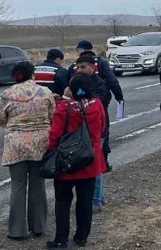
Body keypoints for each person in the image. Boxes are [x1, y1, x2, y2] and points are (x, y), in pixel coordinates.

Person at [47, 74, 106, 249]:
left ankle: (61, 239)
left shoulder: (64, 107)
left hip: (67, 160)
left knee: (63, 201)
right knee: (85, 200)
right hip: (89, 159)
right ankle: (81, 236)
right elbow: (101, 128)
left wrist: (51, 152)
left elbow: (55, 134)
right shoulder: (97, 105)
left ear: (71, 89)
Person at [0, 61, 55, 242]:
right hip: (40, 142)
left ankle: (17, 230)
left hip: (15, 144)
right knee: (38, 184)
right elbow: (51, 116)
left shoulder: (6, 95)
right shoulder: (45, 92)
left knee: (18, 186)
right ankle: (38, 226)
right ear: (33, 74)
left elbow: (2, 120)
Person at [68, 40, 123, 173]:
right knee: (102, 131)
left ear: (80, 50)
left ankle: (89, 162)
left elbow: (68, 84)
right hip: (97, 106)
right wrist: (119, 97)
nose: (80, 70)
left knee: (85, 133)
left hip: (81, 107)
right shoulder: (101, 63)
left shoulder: (75, 66)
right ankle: (101, 162)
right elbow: (112, 81)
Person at [73, 55, 111, 213]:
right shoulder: (76, 81)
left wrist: (74, 96)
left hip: (97, 130)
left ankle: (96, 199)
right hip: (80, 131)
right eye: (78, 67)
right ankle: (96, 197)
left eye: (83, 67)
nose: (80, 70)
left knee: (95, 165)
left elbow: (97, 102)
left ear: (93, 67)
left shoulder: (100, 84)